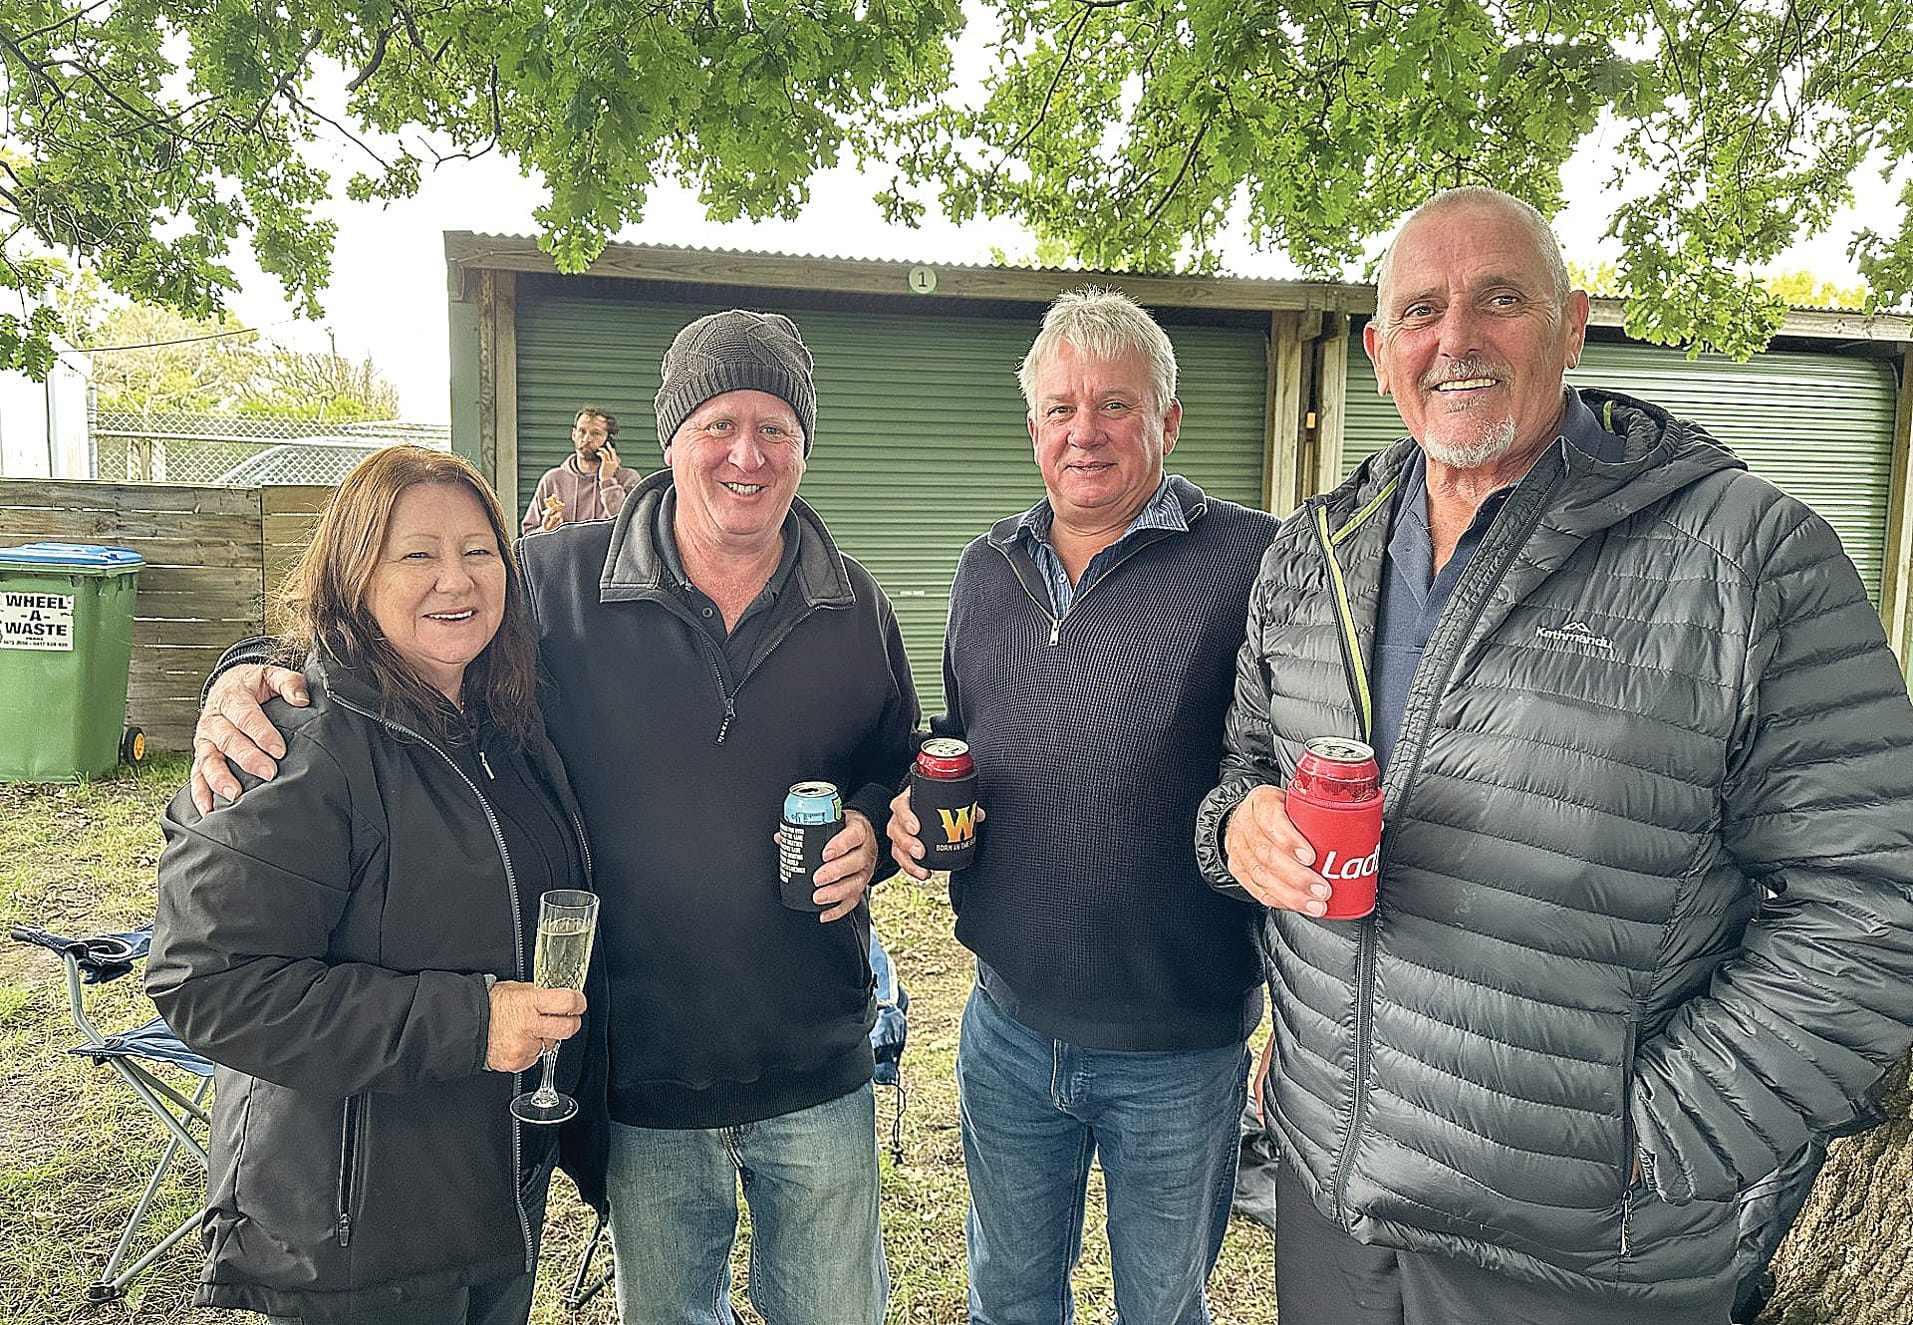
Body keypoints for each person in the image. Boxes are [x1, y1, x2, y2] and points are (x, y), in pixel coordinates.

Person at [1194, 185, 1913, 1323]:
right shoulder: (1314, 551)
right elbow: (1241, 770)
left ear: (1571, 325)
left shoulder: (1744, 558)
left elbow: (1876, 902)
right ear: (1378, 352)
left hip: (1577, 1252)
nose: (1455, 339)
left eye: (1499, 299)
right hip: (1330, 1209)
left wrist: (1652, 1137)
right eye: (1419, 310)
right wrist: (1236, 828)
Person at [191, 311, 918, 1325]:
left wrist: (874, 828)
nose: (746, 455)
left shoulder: (855, 605)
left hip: (814, 1056)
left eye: (775, 428)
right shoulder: (552, 581)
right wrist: (245, 672)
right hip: (635, 1064)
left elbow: (894, 763)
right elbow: (394, 630)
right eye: (717, 423)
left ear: (803, 445)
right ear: (670, 438)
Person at [887, 287, 1278, 1324]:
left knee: (1162, 1308)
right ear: (1032, 429)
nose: (1084, 431)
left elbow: (1286, 775)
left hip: (1180, 1041)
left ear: (1168, 421)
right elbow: (962, 732)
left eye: (1114, 404)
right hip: (1008, 1026)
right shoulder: (985, 568)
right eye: (1060, 408)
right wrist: (915, 805)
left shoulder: (1253, 562)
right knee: (1008, 1300)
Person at [148, 445, 595, 1325]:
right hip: (356, 1228)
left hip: (488, 1188)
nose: (455, 579)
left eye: (478, 550)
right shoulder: (292, 741)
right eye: (416, 553)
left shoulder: (501, 721)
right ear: (354, 574)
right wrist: (471, 1022)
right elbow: (209, 982)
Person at [521, 406, 641, 535]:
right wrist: (545, 531)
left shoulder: (628, 479)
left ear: (609, 441)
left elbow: (632, 531)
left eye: (596, 433)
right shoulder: (552, 479)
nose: (587, 439)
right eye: (582, 431)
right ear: (573, 434)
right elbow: (528, 533)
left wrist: (608, 481)